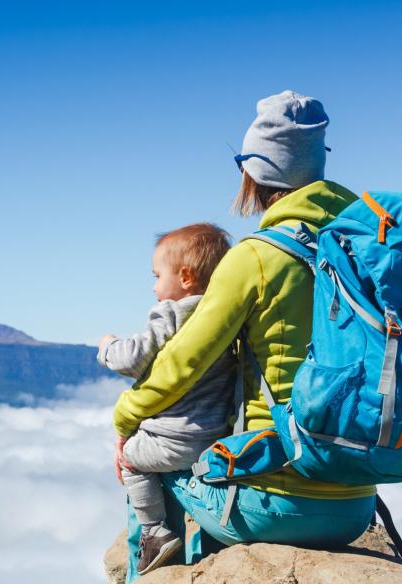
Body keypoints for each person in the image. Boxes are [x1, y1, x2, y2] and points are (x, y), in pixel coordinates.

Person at [112, 90, 377, 562]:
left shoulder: (255, 258)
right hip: (357, 502)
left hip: (278, 501)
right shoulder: (361, 250)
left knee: (141, 456)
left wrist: (125, 421)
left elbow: (182, 363)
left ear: (254, 169)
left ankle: (150, 564)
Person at [97, 223, 236, 575]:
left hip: (175, 442)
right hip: (217, 441)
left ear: (186, 277)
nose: (154, 286)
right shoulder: (226, 317)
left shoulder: (173, 312)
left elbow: (132, 358)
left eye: (157, 276)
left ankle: (154, 531)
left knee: (130, 458)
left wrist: (107, 347)